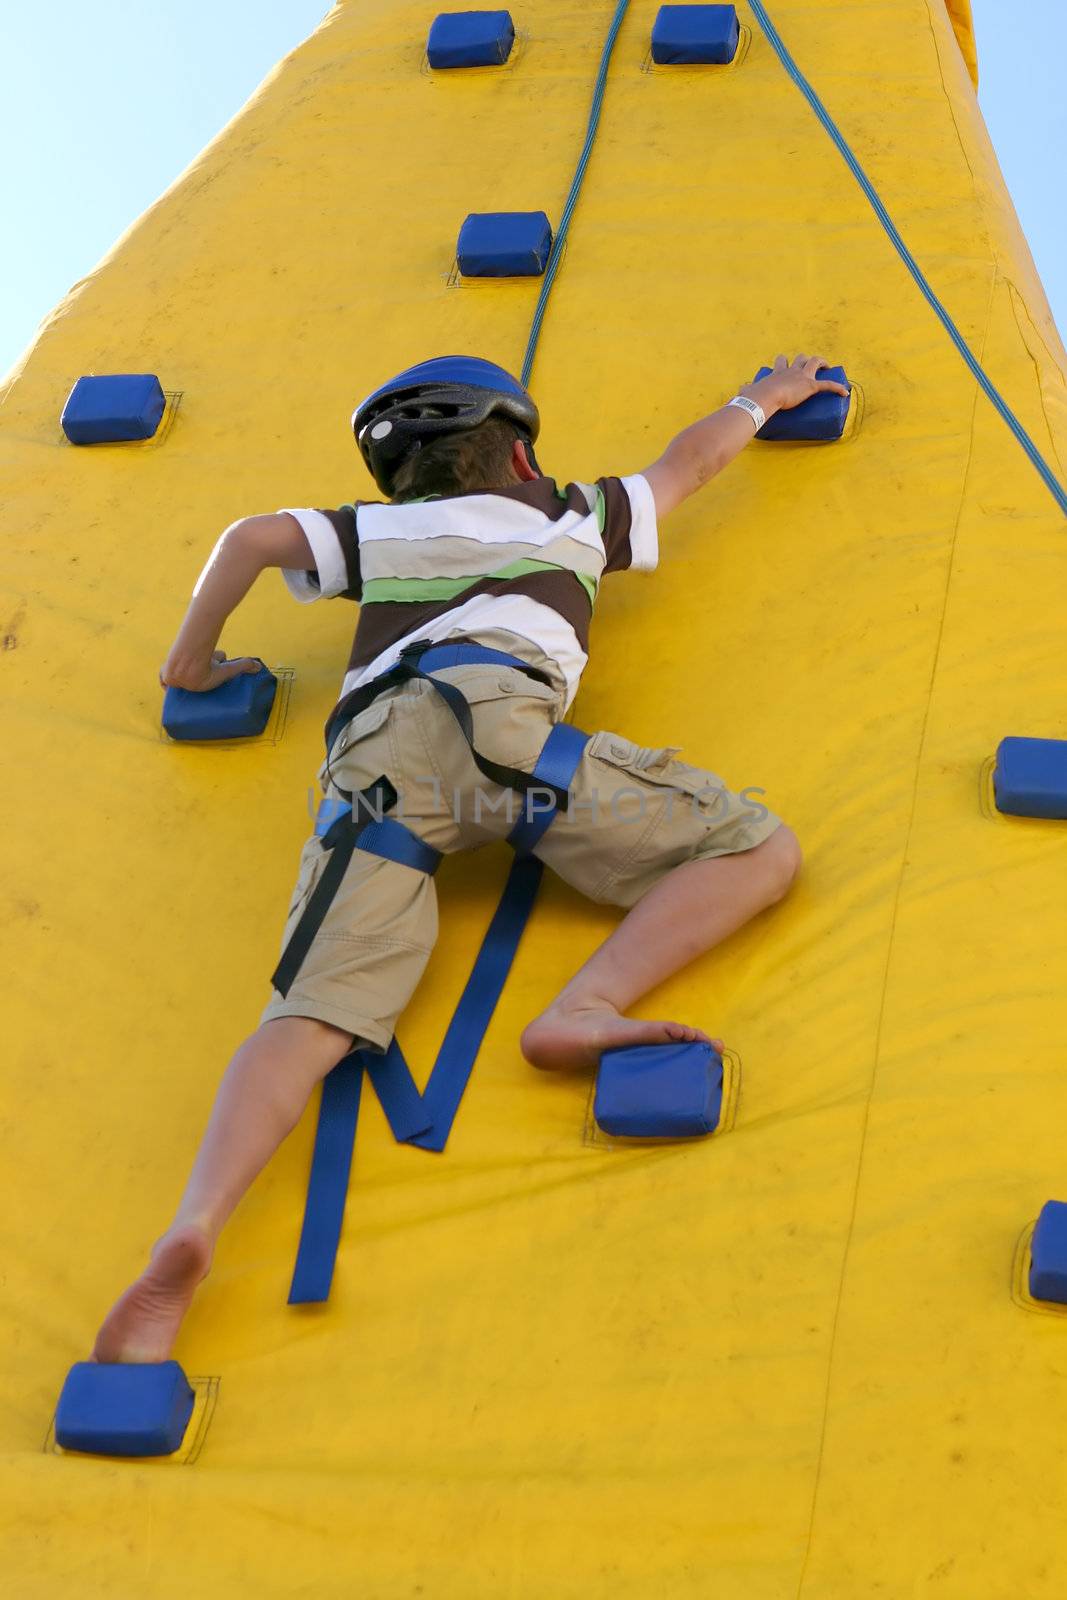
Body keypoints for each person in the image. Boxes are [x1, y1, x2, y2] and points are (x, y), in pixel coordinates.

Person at [91, 351, 848, 1364]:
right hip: (503, 727)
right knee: (751, 849)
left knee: (310, 1014)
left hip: (375, 767)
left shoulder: (379, 531)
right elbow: (689, 465)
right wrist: (762, 398)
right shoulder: (571, 514)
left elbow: (250, 538)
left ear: (404, 476)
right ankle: (583, 1004)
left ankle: (194, 1224)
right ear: (522, 453)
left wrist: (189, 662)